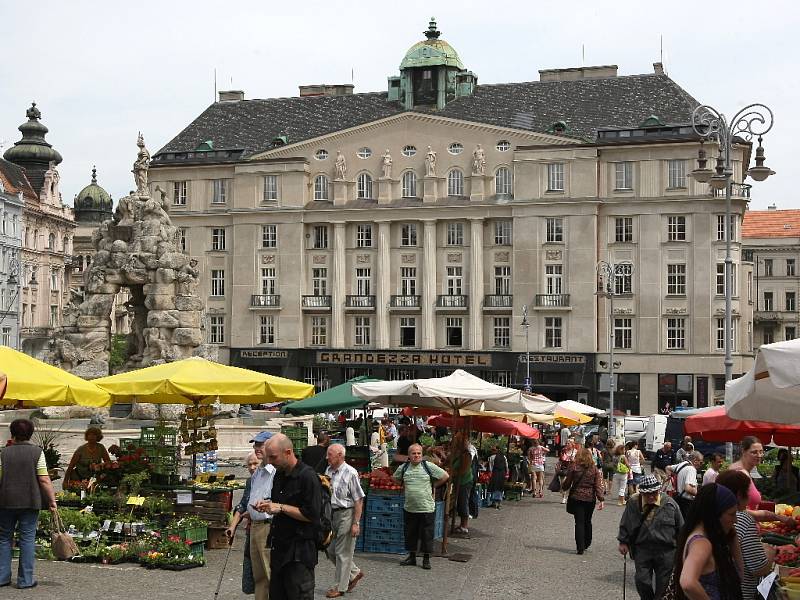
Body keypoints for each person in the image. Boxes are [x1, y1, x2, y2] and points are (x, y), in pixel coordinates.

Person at [256, 433, 321, 600]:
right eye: (268, 457)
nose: (269, 461)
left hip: (299, 552)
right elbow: (279, 506)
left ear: (288, 452)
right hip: (279, 549)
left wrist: (281, 507)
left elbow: (312, 515)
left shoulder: (308, 476)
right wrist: (269, 506)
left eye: (273, 457)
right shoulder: (279, 475)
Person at [0, 418, 58, 589]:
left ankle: (2, 577)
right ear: (30, 433)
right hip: (30, 502)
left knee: (4, 538)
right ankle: (25, 580)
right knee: (27, 539)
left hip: (5, 502)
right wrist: (52, 501)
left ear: (12, 433)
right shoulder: (37, 452)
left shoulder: (4, 452)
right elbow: (44, 479)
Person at [617, 474, 684, 600]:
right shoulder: (633, 502)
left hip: (666, 550)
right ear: (641, 492)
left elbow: (681, 527)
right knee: (642, 581)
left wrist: (683, 550)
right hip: (642, 548)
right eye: (648, 494)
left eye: (654, 492)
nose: (652, 496)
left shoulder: (670, 503)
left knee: (663, 585)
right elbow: (626, 522)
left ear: (658, 490)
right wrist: (623, 542)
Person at [673, 483, 743, 600]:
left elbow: (741, 572)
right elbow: (687, 582)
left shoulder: (702, 533)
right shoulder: (702, 544)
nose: (735, 520)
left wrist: (732, 535)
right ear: (714, 514)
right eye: (731, 514)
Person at [717, 469, 775, 600]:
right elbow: (759, 568)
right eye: (747, 491)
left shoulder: (714, 516)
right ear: (738, 495)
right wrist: (770, 552)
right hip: (740, 594)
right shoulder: (742, 518)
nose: (750, 496)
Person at [394, 444, 449, 569]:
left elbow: (445, 476)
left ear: (422, 455)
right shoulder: (404, 468)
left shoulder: (428, 466)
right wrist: (405, 485)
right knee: (410, 533)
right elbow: (395, 478)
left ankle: (426, 559)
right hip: (410, 507)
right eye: (413, 453)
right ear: (409, 456)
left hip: (426, 507)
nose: (416, 455)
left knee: (427, 534)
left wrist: (433, 485)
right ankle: (412, 557)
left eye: (418, 453)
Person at [239, 432, 276, 600]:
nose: (256, 448)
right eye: (255, 445)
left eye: (260, 445)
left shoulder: (276, 471)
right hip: (254, 525)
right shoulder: (257, 473)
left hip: (267, 527)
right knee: (259, 576)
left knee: (269, 573)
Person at [324, 444, 365, 598]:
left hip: (347, 514)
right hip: (333, 515)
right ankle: (354, 573)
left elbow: (359, 500)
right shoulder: (328, 471)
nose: (327, 457)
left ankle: (339, 587)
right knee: (330, 550)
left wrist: (356, 523)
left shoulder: (351, 473)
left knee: (342, 552)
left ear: (340, 455)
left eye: (330, 454)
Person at [729, 437, 794, 526]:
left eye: (761, 451)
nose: (759, 455)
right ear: (744, 451)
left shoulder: (744, 472)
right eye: (754, 452)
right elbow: (736, 511)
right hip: (742, 531)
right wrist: (777, 517)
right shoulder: (739, 473)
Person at [226, 451, 262, 594]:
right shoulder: (250, 481)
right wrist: (232, 527)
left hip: (264, 530)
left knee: (264, 574)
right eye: (249, 465)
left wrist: (252, 512)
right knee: (251, 571)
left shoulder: (270, 479)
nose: (252, 467)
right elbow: (242, 505)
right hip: (250, 530)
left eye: (255, 464)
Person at [562, 447, 604, 555]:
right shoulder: (594, 469)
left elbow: (567, 482)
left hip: (577, 497)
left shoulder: (574, 467)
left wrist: (564, 487)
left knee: (579, 522)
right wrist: (601, 499)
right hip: (590, 499)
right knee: (588, 521)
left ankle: (580, 547)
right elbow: (598, 485)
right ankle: (587, 542)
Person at [449, 433, 474, 534]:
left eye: (456, 441)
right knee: (459, 502)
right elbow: (449, 460)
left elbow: (463, 470)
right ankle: (461, 525)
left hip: (464, 481)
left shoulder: (466, 454)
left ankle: (464, 526)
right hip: (458, 481)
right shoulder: (457, 452)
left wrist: (452, 472)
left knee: (463, 502)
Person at [669, 450, 704, 519]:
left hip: (678, 498)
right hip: (686, 503)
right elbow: (688, 488)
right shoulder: (691, 469)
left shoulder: (683, 464)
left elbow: (668, 467)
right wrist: (700, 494)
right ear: (695, 460)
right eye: (701, 462)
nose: (701, 464)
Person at [558, 439, 577, 504]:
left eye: (568, 443)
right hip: (563, 468)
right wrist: (557, 466)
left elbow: (578, 461)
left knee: (569, 484)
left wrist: (574, 460)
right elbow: (560, 459)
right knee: (562, 483)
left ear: (572, 444)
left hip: (572, 469)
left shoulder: (575, 451)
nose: (566, 444)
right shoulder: (563, 450)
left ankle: (565, 498)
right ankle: (564, 495)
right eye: (566, 443)